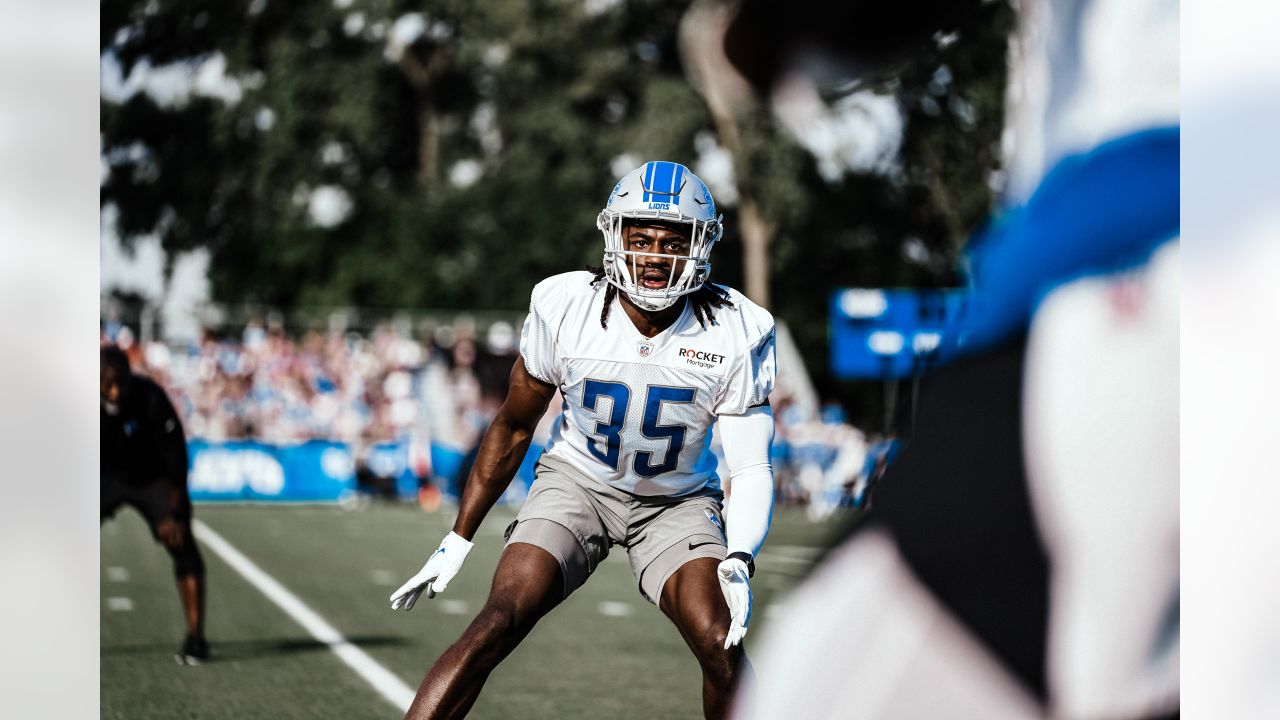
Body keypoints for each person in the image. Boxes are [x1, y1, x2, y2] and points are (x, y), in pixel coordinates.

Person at [389, 161, 778, 720]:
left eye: (672, 242)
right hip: (578, 486)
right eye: (639, 238)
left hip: (676, 503)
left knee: (722, 644)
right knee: (498, 620)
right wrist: (458, 537)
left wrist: (739, 556)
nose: (653, 256)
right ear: (614, 236)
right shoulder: (566, 305)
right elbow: (515, 425)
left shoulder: (737, 327)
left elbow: (750, 468)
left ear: (701, 245)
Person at [101, 344, 210, 665]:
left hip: (152, 479)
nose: (115, 390)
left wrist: (174, 512)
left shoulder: (150, 398)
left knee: (184, 546)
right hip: (103, 476)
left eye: (121, 381)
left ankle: (196, 638)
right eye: (107, 383)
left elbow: (176, 458)